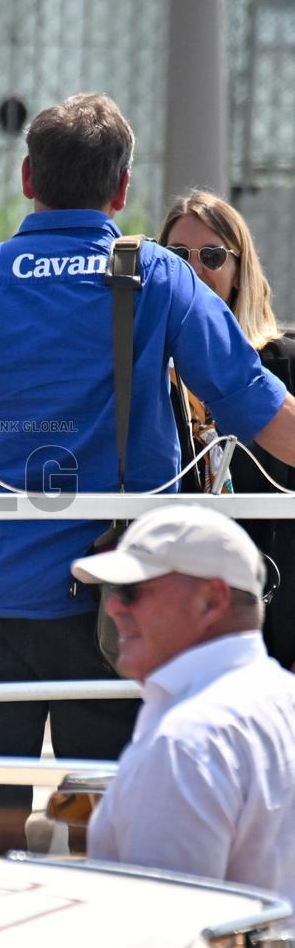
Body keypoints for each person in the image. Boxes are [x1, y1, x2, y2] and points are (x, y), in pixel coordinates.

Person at [0, 92, 295, 852]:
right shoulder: (156, 275)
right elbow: (255, 405)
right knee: (113, 818)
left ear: (26, 177)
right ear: (120, 190)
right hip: (120, 601)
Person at [72, 504, 295, 916]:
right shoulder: (278, 700)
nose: (113, 607)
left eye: (131, 591)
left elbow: (160, 934)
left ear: (211, 601)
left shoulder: (187, 742)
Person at [159, 190, 295, 670]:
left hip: (278, 611)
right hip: (176, 612)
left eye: (212, 256)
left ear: (240, 271)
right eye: (176, 257)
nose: (193, 270)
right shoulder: (146, 374)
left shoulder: (284, 364)